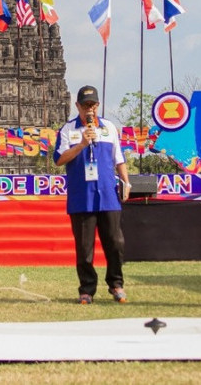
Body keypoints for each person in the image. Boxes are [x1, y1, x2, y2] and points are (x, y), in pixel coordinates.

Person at [54, 85, 131, 304]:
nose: (90, 109)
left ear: (98, 105)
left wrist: (126, 181)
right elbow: (59, 159)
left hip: (107, 194)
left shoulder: (109, 128)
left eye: (93, 105)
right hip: (82, 196)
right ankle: (87, 289)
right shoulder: (68, 130)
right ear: (77, 106)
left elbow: (119, 159)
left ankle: (116, 284)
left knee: (115, 242)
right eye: (85, 105)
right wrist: (81, 144)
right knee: (85, 248)